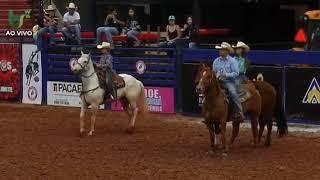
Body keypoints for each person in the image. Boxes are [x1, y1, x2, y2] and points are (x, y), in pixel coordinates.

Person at [213, 42, 244, 122]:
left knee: (232, 92)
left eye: (222, 50)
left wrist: (226, 75)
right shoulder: (216, 61)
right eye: (219, 50)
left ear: (227, 51)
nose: (220, 51)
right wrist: (216, 76)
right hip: (218, 81)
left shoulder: (232, 61)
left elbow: (236, 73)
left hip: (229, 81)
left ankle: (239, 112)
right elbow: (214, 72)